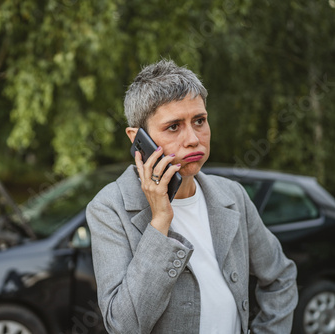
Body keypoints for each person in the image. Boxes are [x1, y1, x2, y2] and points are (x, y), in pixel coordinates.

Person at [86, 59, 298, 334]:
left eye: (199, 121)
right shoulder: (108, 209)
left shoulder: (231, 195)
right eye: (173, 126)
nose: (193, 139)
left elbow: (280, 276)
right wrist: (160, 220)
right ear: (137, 138)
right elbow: (123, 326)